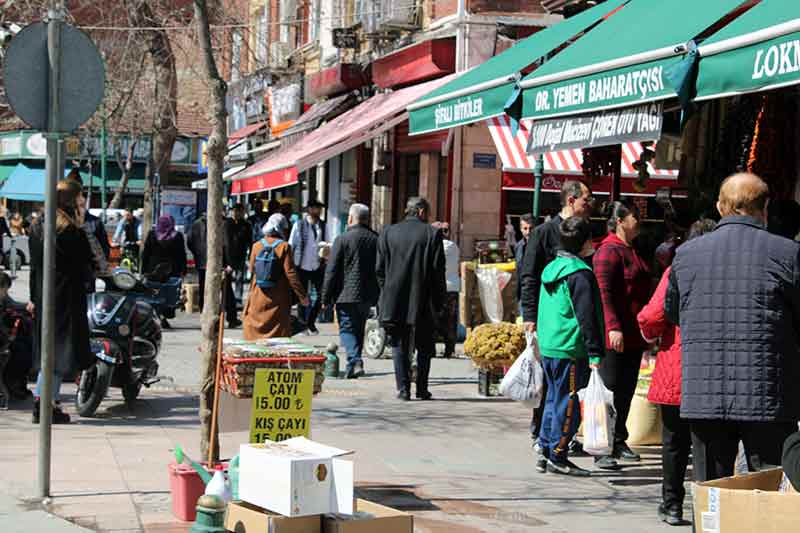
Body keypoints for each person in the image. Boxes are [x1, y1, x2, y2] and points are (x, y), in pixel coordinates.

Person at [665, 173, 800, 482]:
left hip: (705, 393)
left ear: (720, 207)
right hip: (768, 394)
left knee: (711, 490)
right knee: (769, 488)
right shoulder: (788, 254)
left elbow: (673, 313)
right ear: (764, 209)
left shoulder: (686, 255)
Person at [637, 219, 717, 526]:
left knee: (674, 443)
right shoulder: (727, 272)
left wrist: (653, 335)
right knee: (709, 446)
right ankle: (709, 510)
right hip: (713, 370)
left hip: (678, 367)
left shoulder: (678, 269)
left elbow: (651, 316)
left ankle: (672, 504)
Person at [521, 180, 594, 452]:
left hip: (571, 324)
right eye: (586, 199)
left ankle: (558, 437)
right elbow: (528, 275)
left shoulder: (586, 232)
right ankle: (545, 435)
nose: (590, 205)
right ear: (572, 200)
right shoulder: (543, 233)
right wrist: (529, 314)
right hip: (551, 320)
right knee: (551, 382)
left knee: (563, 386)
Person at [537, 216, 604, 477]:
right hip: (570, 347)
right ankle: (558, 452)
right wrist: (595, 351)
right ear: (585, 242)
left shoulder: (553, 268)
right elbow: (587, 317)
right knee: (569, 403)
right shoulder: (579, 275)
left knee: (554, 399)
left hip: (552, 344)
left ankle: (545, 448)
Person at [592, 200, 652, 470]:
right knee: (610, 390)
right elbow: (604, 295)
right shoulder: (607, 253)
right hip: (616, 334)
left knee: (625, 390)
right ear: (620, 221)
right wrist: (612, 326)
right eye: (634, 216)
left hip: (634, 334)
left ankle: (618, 438)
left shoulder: (631, 250)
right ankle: (601, 445)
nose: (638, 221)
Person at [29, 179, 94, 424]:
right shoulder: (70, 229)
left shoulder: (38, 225)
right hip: (66, 298)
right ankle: (45, 403)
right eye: (80, 197)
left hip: (45, 296)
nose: (82, 202)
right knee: (57, 354)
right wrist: (81, 223)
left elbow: (35, 268)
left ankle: (47, 401)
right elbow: (87, 260)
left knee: (50, 352)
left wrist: (34, 298)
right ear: (71, 200)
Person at [377, 197, 446, 401]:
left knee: (399, 343)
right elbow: (437, 271)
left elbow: (379, 270)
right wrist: (439, 300)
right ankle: (422, 388)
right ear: (422, 212)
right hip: (423, 298)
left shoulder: (388, 232)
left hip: (394, 298)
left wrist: (387, 291)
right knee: (424, 345)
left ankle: (403, 389)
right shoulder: (432, 234)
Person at [321, 204, 379, 379]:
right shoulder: (376, 239)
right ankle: (352, 366)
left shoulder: (342, 239)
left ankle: (355, 361)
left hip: (345, 294)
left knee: (347, 329)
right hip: (367, 294)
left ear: (351, 219)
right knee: (359, 329)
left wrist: (325, 296)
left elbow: (332, 270)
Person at [242, 214, 309, 340]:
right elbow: (291, 274)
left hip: (258, 294)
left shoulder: (256, 246)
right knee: (278, 332)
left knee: (255, 328)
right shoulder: (284, 246)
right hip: (278, 297)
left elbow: (251, 269)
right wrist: (302, 296)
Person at [289, 199, 327, 335]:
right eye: (316, 208)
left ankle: (311, 321)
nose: (319, 211)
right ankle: (302, 324)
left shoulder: (323, 225)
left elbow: (326, 242)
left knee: (322, 296)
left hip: (317, 265)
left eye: (320, 209)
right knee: (302, 296)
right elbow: (291, 244)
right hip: (301, 265)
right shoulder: (299, 225)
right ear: (310, 209)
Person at [435, 222, 460, 359]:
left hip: (438, 287)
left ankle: (431, 347)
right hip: (452, 287)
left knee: (434, 317)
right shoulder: (454, 247)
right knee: (450, 319)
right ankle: (449, 349)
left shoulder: (436, 246)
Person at [224, 203, 252, 308]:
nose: (237, 213)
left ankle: (238, 299)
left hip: (241, 254)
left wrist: (250, 255)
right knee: (227, 278)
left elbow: (250, 240)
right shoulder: (227, 223)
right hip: (228, 255)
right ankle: (228, 300)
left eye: (239, 211)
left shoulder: (246, 224)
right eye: (235, 211)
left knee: (239, 278)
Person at [187, 214, 208, 311]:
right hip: (208, 259)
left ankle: (202, 305)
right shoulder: (218, 223)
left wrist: (196, 252)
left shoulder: (195, 224)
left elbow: (189, 241)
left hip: (200, 259)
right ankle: (204, 305)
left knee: (202, 283)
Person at [515, 214, 534, 316]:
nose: (528, 232)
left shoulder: (541, 245)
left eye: (531, 228)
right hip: (523, 292)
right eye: (525, 228)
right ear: (521, 229)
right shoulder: (518, 246)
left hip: (536, 292)